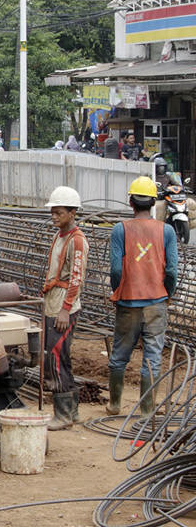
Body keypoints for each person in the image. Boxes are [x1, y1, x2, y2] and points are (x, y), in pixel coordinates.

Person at [107, 176, 178, 418]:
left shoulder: (120, 229)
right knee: (153, 357)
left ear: (131, 202)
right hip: (156, 302)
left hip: (128, 302)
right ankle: (147, 410)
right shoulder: (166, 230)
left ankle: (115, 405)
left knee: (119, 356)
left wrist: (119, 290)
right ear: (153, 202)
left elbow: (116, 269)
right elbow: (171, 271)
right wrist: (168, 293)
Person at [41, 187, 89, 430]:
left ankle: (63, 414)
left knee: (56, 359)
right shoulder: (60, 236)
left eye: (59, 212)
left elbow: (76, 279)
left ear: (72, 213)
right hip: (54, 301)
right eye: (53, 212)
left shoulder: (77, 241)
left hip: (63, 307)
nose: (54, 216)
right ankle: (72, 411)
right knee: (62, 359)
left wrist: (65, 309)